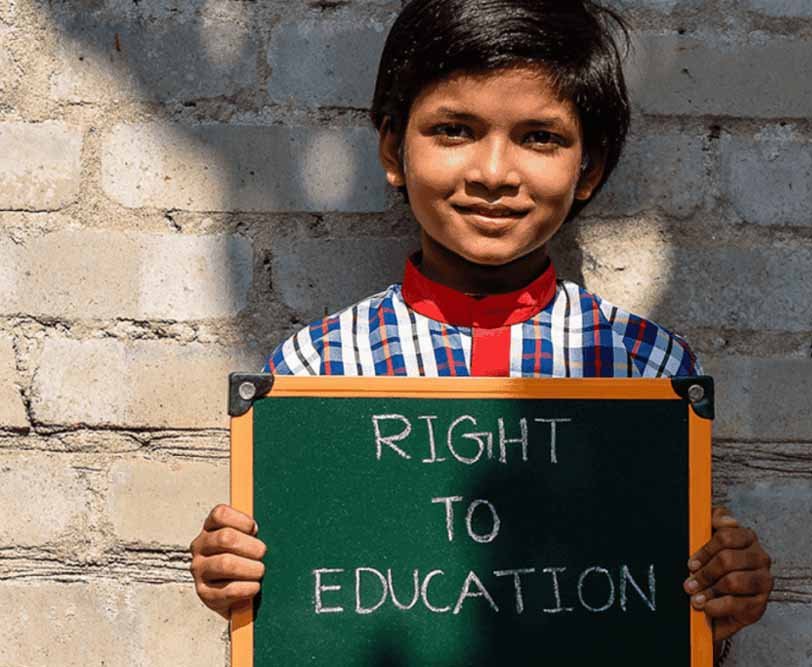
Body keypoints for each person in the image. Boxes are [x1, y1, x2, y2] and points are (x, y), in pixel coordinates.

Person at [189, 0, 773, 660]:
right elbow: (304, 614)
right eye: (454, 130)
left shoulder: (648, 369)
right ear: (392, 149)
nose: (493, 174)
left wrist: (723, 596)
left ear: (589, 168)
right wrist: (235, 575)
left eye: (540, 137)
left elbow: (660, 610)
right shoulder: (314, 369)